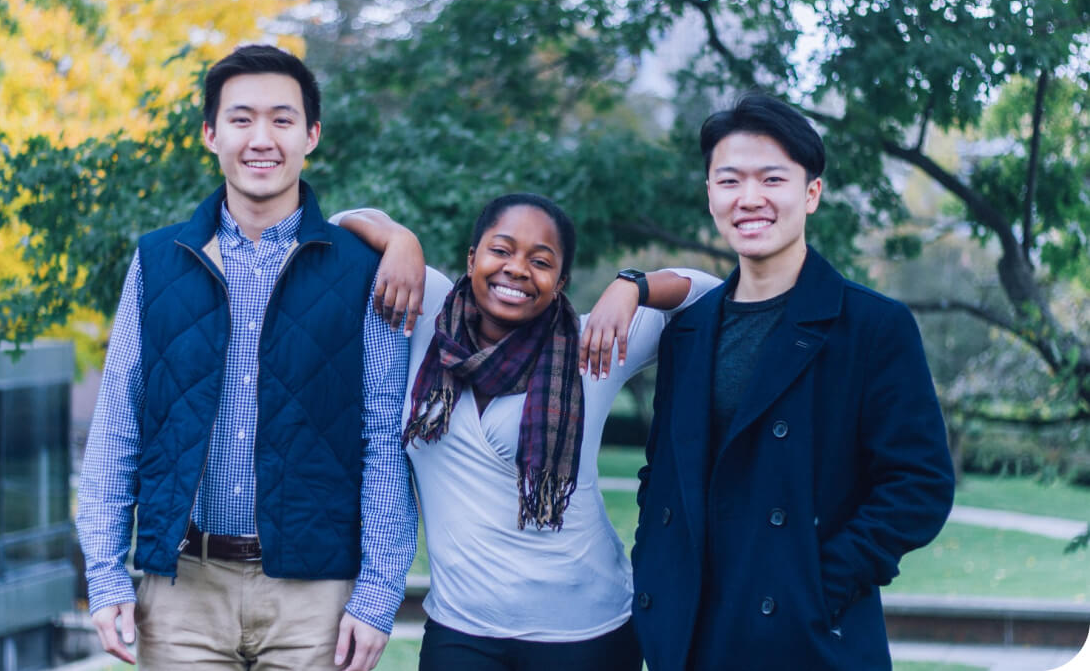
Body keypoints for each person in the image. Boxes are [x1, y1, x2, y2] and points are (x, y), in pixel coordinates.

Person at [75, 44, 417, 671]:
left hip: (315, 599)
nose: (262, 139)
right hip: (181, 592)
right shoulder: (156, 262)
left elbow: (382, 440)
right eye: (241, 119)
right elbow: (119, 423)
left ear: (311, 135)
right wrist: (104, 572)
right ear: (211, 134)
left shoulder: (365, 269)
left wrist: (377, 593)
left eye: (282, 120)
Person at [631, 93, 955, 670]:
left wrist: (820, 583)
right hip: (690, 636)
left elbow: (920, 484)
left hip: (807, 639)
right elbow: (663, 477)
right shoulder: (688, 331)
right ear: (710, 195)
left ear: (811, 193)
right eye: (729, 181)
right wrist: (653, 570)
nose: (749, 198)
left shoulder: (872, 325)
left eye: (772, 179)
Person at [333, 194, 719, 671]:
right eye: (501, 250)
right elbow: (343, 221)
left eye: (541, 261)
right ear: (472, 259)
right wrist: (400, 239)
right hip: (461, 630)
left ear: (560, 283)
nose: (516, 269)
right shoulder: (429, 311)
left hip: (587, 632)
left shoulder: (592, 344)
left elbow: (713, 295)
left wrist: (632, 286)